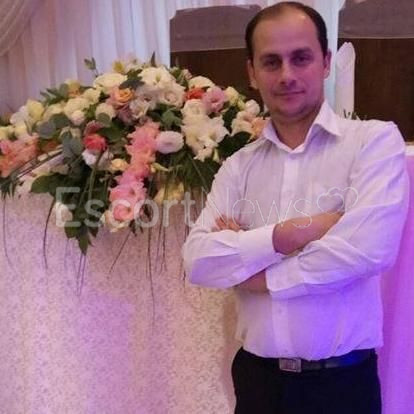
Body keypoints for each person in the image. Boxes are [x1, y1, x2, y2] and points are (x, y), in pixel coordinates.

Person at [182, 2, 409, 413]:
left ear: (325, 62)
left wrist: (256, 271)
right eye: (271, 62)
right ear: (252, 72)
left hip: (342, 387)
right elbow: (199, 261)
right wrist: (290, 234)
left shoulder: (373, 142)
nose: (286, 75)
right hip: (258, 384)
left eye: (301, 58)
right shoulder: (238, 167)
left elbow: (366, 250)